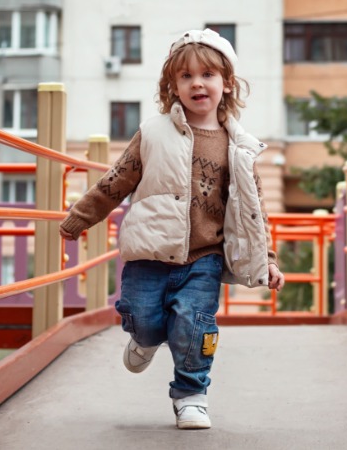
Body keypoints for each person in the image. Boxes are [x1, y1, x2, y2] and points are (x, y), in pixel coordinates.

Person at [59, 28, 284, 430]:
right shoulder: (153, 132)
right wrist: (82, 216)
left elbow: (254, 211)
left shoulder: (241, 147)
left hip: (204, 258)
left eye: (208, 75)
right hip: (150, 252)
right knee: (143, 318)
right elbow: (116, 180)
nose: (197, 83)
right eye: (186, 76)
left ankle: (192, 394)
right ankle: (144, 341)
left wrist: (266, 258)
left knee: (194, 325)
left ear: (227, 83)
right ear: (173, 86)